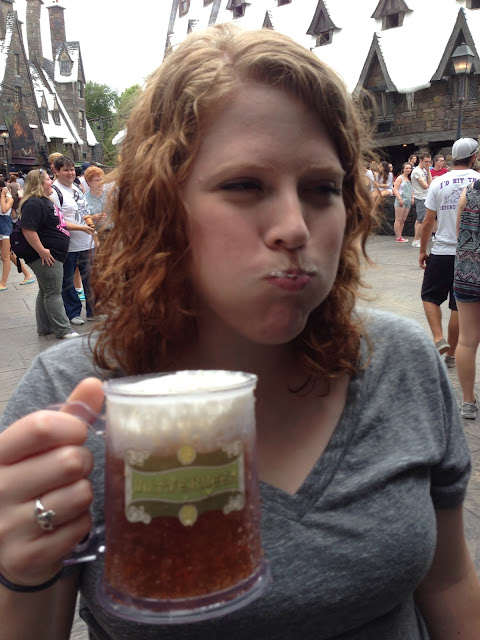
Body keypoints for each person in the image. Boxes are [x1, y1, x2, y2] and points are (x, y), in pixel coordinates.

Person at [0, 24, 480, 640]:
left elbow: (449, 585)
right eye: (244, 186)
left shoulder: (399, 363)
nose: (294, 227)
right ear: (164, 206)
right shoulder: (70, 403)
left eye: (322, 188)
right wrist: (24, 569)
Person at [419, 138, 480, 369]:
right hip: (469, 254)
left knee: (429, 296)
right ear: (474, 157)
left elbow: (428, 221)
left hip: (442, 250)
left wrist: (423, 250)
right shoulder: (478, 181)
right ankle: (452, 354)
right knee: (458, 305)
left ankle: (438, 338)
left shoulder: (438, 182)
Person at [16, 169, 79, 339]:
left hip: (51, 254)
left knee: (46, 291)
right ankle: (63, 330)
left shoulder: (42, 201)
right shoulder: (34, 203)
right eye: (48, 179)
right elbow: (28, 229)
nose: (51, 181)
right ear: (39, 183)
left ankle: (45, 327)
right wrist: (42, 251)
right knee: (53, 293)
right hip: (46, 256)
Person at [51, 156, 96, 325]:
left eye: (71, 169)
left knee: (91, 279)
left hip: (87, 243)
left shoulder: (77, 187)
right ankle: (73, 312)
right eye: (65, 170)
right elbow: (58, 221)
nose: (70, 173)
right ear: (57, 171)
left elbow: (85, 211)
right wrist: (81, 228)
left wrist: (90, 226)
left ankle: (93, 311)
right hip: (68, 245)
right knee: (68, 281)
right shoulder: (54, 192)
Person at [453, 177, 480, 418]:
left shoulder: (468, 192)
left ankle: (468, 401)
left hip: (468, 271)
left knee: (467, 340)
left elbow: (458, 233)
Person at [0, 178, 35, 290]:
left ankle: (3, 283)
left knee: (5, 257)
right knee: (10, 255)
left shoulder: (9, 199)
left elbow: (4, 209)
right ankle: (27, 274)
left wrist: (3, 195)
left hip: (6, 229)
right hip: (1, 229)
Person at [411, 153, 432, 247]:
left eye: (429, 162)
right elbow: (425, 185)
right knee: (421, 220)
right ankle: (416, 240)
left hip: (425, 196)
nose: (428, 164)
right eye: (426, 162)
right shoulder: (416, 171)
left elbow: (430, 183)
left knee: (418, 219)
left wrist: (428, 171)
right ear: (421, 161)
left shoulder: (424, 170)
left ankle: (417, 239)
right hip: (420, 197)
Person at [392, 161, 414, 242]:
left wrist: (412, 198)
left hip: (408, 200)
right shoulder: (400, 178)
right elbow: (395, 189)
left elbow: (411, 189)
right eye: (406, 168)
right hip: (401, 199)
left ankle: (400, 235)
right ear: (403, 169)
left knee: (403, 219)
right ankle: (398, 236)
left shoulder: (410, 179)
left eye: (409, 168)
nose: (408, 170)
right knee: (398, 219)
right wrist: (399, 198)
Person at [84, 166, 109, 231]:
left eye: (101, 179)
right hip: (95, 233)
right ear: (89, 182)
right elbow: (80, 220)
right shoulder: (84, 199)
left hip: (113, 232)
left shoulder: (110, 195)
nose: (100, 182)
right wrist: (92, 218)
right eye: (97, 180)